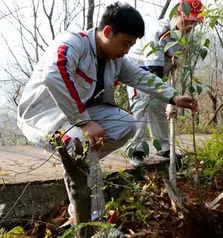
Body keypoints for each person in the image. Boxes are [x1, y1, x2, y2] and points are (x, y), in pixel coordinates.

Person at [17, 1, 197, 229]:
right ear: (107, 32)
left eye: (131, 46)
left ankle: (81, 166)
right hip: (43, 115)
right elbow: (55, 75)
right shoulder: (73, 42)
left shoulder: (116, 61)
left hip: (76, 114)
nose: (126, 51)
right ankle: (94, 225)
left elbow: (143, 77)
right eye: (124, 43)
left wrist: (173, 97)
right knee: (82, 142)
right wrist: (84, 122)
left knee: (125, 124)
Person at [125, 0, 203, 166]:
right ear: (176, 15)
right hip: (140, 70)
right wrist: (170, 99)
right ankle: (136, 149)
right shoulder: (159, 31)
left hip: (161, 73)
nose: (191, 25)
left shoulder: (184, 35)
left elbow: (173, 60)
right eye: (187, 20)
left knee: (159, 109)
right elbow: (154, 70)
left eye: (194, 22)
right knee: (141, 107)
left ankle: (164, 146)